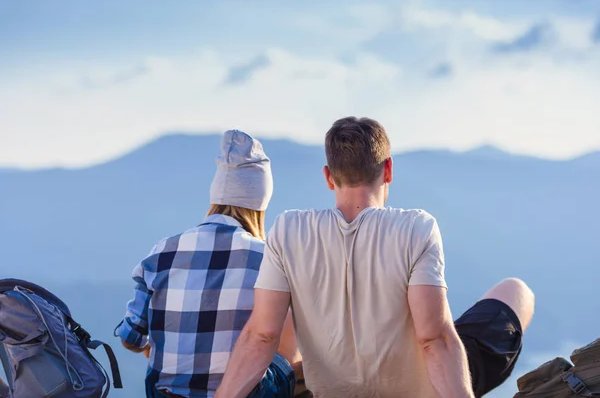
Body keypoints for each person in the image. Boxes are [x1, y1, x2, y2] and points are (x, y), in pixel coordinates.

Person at [215, 117, 535, 398]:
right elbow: (432, 338)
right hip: (426, 388)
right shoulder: (416, 227)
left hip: (334, 390)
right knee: (516, 291)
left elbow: (262, 335)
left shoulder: (287, 230)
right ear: (388, 170)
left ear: (329, 177)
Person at [115, 130, 302, 398]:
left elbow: (130, 337)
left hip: (166, 394)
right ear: (260, 206)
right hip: (243, 393)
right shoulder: (270, 257)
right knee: (298, 362)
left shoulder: (163, 252)